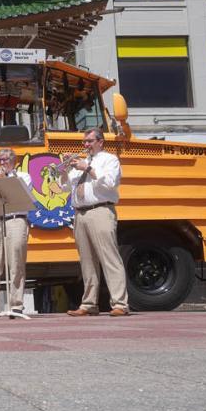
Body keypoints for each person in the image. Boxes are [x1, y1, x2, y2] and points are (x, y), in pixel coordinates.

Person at [59, 126, 130, 317]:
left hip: (100, 210)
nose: (86, 145)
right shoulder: (81, 162)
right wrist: (64, 169)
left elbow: (109, 182)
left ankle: (120, 303)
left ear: (100, 142)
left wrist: (88, 168)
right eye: (84, 141)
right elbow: (64, 188)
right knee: (87, 261)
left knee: (109, 257)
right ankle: (89, 304)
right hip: (80, 214)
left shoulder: (110, 160)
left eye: (90, 141)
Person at [0, 148, 33, 318]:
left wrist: (7, 178)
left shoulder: (23, 176)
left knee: (16, 263)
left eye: (5, 160)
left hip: (16, 219)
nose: (1, 163)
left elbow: (23, 192)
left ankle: (16, 305)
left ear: (13, 161)